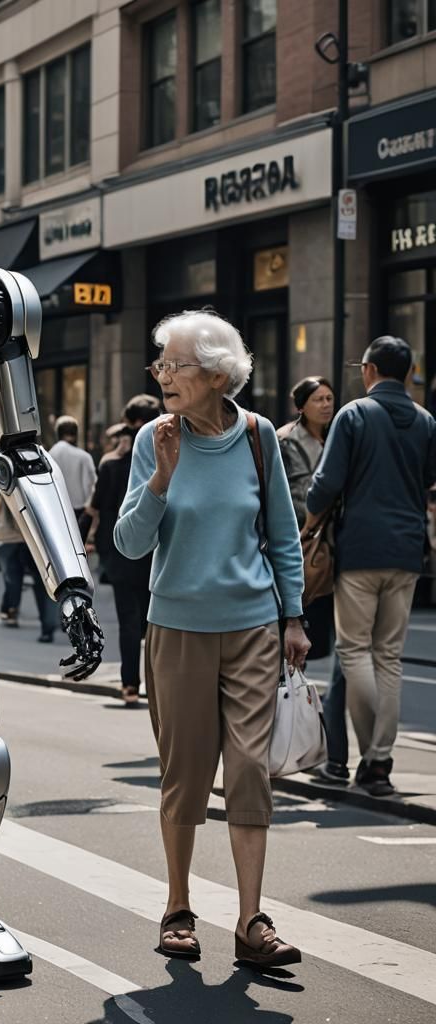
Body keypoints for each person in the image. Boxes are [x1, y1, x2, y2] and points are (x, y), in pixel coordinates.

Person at [115, 310, 308, 970]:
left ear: (218, 374)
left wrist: (293, 617)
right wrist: (161, 479)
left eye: (174, 365)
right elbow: (129, 543)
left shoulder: (257, 438)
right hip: (177, 630)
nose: (162, 375)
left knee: (250, 770)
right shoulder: (153, 439)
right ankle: (177, 906)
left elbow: (282, 535)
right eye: (159, 365)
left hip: (252, 627)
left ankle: (251, 920)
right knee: (185, 775)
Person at [307, 336, 436, 797]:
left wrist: (307, 514)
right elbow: (428, 479)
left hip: (359, 550)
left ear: (369, 370)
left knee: (354, 651)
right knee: (390, 658)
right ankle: (380, 761)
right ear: (406, 372)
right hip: (407, 552)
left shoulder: (355, 414)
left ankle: (373, 758)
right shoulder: (425, 420)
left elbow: (326, 483)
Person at [276, 376, 347, 784]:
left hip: (331, 545)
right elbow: (292, 494)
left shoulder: (337, 436)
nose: (326, 404)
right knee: (293, 645)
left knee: (328, 644)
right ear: (301, 405)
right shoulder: (288, 440)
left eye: (330, 398)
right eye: (318, 399)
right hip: (305, 544)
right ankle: (284, 734)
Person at [90, 394, 162, 705]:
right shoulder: (165, 460)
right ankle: (158, 685)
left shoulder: (111, 464)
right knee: (157, 624)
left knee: (128, 621)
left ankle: (130, 684)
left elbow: (97, 507)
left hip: (119, 552)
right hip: (155, 552)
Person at [0, 491, 58, 641]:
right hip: (33, 537)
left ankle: (12, 610)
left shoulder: (4, 471)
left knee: (13, 578)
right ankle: (48, 625)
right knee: (42, 581)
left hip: (10, 537)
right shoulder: (38, 476)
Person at [48, 415, 97, 538]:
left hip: (55, 510)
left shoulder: (48, 456)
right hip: (79, 512)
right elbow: (91, 486)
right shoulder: (84, 456)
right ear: (76, 433)